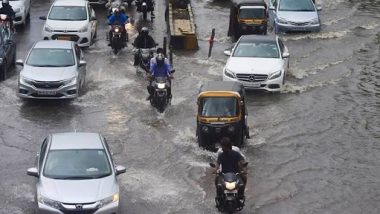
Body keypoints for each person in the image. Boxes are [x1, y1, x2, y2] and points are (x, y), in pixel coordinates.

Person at [214, 137, 247, 203]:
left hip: (236, 174)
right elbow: (217, 164)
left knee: (243, 180)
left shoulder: (236, 154)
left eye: (223, 146)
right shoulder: (221, 155)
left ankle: (241, 194)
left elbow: (241, 162)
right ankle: (219, 196)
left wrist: (244, 170)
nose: (222, 148)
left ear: (228, 146)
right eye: (222, 146)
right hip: (224, 175)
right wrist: (215, 170)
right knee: (217, 181)